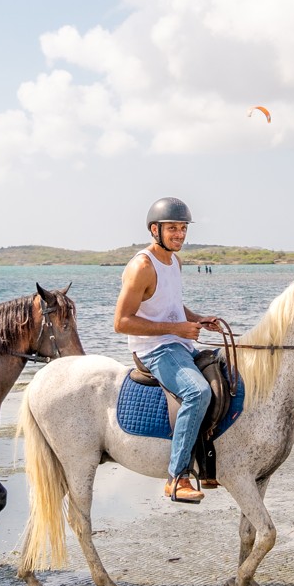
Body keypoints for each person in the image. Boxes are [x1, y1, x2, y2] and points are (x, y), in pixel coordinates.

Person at [112, 197, 224, 503]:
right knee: (197, 392)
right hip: (153, 350)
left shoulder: (175, 261)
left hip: (176, 342)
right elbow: (121, 322)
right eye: (172, 228)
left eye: (183, 228)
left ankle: (210, 462)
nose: (179, 234)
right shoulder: (142, 266)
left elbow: (171, 305)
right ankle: (176, 478)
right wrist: (176, 329)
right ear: (154, 229)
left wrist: (197, 318)